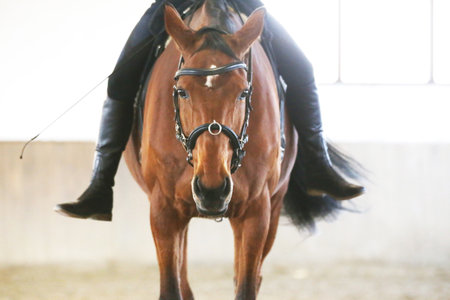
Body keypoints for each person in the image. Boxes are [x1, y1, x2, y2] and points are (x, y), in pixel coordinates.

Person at [54, 0, 364, 221]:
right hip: (177, 2)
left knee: (302, 69)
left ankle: (318, 165)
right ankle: (100, 184)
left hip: (240, 3)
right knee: (120, 79)